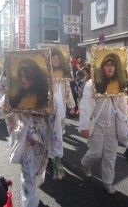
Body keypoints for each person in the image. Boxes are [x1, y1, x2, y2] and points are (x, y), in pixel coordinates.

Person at [0, 80, 62, 207]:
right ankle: (30, 202)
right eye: (21, 75)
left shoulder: (48, 96)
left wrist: (56, 152)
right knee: (28, 175)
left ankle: (32, 193)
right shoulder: (15, 93)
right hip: (25, 142)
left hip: (42, 144)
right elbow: (0, 110)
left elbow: (56, 124)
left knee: (37, 173)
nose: (24, 78)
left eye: (27, 75)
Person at [79, 77, 128, 195]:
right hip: (96, 124)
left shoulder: (119, 82)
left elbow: (123, 103)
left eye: (113, 64)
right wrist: (84, 126)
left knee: (110, 154)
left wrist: (125, 122)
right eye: (107, 64)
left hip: (113, 124)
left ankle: (108, 182)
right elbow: (86, 105)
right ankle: (85, 164)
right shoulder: (92, 83)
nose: (110, 67)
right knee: (96, 152)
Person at [49, 49, 76, 178]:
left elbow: (68, 89)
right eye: (53, 58)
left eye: (57, 59)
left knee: (59, 131)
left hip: (61, 105)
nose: (56, 60)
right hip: (50, 106)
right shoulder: (46, 73)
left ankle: (56, 155)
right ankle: (51, 155)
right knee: (50, 130)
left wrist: (71, 105)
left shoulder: (64, 74)